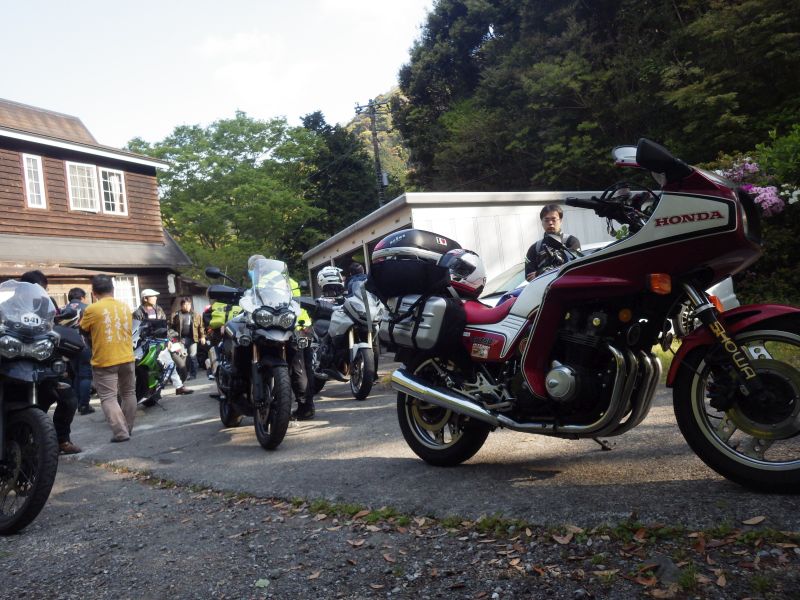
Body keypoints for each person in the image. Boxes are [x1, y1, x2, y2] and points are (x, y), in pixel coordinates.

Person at [19, 270, 82, 454]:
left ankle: (62, 440)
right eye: (41, 288)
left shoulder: (47, 301)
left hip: (45, 358)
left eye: (43, 289)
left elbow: (55, 323)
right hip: (18, 357)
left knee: (68, 398)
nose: (42, 292)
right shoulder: (11, 303)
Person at [79, 275, 136, 443]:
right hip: (127, 356)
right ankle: (128, 428)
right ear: (113, 289)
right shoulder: (125, 307)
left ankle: (121, 433)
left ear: (94, 292)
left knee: (109, 397)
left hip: (104, 359)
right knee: (129, 393)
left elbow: (83, 329)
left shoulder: (92, 309)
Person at [524, 204, 581, 281]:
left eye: (554, 219)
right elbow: (529, 277)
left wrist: (541, 272)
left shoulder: (571, 241)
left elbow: (574, 267)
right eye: (546, 220)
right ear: (542, 222)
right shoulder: (534, 248)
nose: (550, 223)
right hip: (544, 288)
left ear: (560, 221)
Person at [64, 287, 95, 415]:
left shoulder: (64, 309)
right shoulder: (87, 308)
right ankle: (84, 405)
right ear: (82, 297)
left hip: (68, 345)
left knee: (76, 374)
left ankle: (77, 403)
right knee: (85, 375)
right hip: (83, 344)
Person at [171, 297, 204, 380]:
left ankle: (193, 375)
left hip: (193, 339)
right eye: (185, 304)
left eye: (189, 304)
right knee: (182, 356)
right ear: (181, 305)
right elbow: (172, 327)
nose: (187, 306)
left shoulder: (196, 315)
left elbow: (201, 327)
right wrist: (173, 338)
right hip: (181, 339)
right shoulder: (176, 315)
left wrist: (202, 337)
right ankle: (182, 375)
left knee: (193, 356)